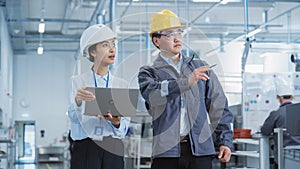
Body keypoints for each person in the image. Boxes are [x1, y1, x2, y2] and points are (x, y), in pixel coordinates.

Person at [138, 9, 233, 169]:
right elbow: (153, 95)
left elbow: (219, 107)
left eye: (179, 32)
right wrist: (185, 83)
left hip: (200, 151)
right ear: (156, 40)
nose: (177, 38)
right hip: (166, 153)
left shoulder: (200, 68)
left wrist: (225, 141)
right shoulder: (149, 72)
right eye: (169, 34)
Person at [67, 24, 130, 169]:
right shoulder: (78, 82)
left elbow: (124, 127)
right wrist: (77, 101)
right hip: (85, 148)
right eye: (105, 45)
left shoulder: (122, 85)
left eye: (113, 44)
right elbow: (73, 119)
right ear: (93, 51)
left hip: (113, 149)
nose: (112, 49)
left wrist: (116, 123)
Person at [261, 87, 300, 169]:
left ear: (279, 98)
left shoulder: (277, 113)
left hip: (284, 155)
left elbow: (265, 131)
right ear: (291, 97)